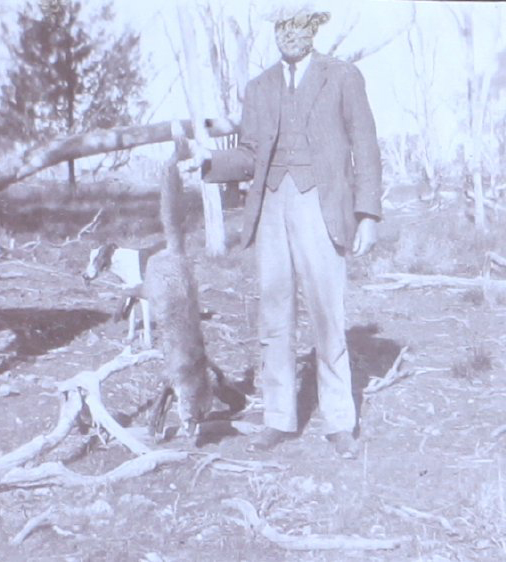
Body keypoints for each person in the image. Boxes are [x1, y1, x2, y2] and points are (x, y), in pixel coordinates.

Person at [184, 6, 382, 460]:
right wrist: (209, 163)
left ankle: (338, 421)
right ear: (275, 32)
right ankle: (278, 417)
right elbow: (251, 154)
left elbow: (366, 147)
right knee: (274, 317)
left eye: (300, 25)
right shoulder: (260, 87)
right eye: (283, 26)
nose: (290, 34)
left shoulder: (343, 77)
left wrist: (367, 214)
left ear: (313, 29)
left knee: (327, 316)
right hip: (271, 207)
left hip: (322, 206)